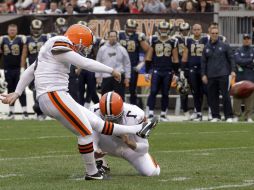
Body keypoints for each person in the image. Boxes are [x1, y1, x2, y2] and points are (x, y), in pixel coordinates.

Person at [1, 24, 158, 180]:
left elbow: (31, 70)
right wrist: (111, 70)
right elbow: (85, 63)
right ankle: (92, 173)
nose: (84, 49)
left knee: (97, 123)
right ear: (80, 41)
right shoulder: (60, 42)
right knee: (86, 133)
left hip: (56, 95)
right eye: (85, 45)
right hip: (53, 94)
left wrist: (17, 92)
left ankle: (137, 128)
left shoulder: (51, 47)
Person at [90, 91, 160, 176]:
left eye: (115, 120)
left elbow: (144, 148)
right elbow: (91, 138)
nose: (112, 123)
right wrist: (94, 150)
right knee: (86, 139)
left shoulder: (136, 115)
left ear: (122, 113)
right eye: (108, 120)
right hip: (106, 143)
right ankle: (101, 164)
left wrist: (129, 143)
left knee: (152, 172)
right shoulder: (93, 111)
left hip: (128, 148)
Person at [145, 21, 179, 121]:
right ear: (159, 30)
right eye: (162, 29)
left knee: (165, 93)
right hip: (156, 70)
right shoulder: (154, 40)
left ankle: (163, 114)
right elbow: (149, 57)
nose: (164, 31)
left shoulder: (173, 41)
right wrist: (147, 71)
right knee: (153, 91)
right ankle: (150, 112)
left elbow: (175, 59)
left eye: (165, 29)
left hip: (167, 71)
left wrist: (176, 73)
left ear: (169, 30)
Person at [201, 27, 235, 122]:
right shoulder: (206, 47)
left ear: (218, 34)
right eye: (213, 33)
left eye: (216, 33)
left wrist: (233, 70)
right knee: (212, 97)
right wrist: (203, 74)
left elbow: (231, 58)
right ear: (210, 34)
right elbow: (203, 62)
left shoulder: (225, 45)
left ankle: (229, 116)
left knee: (225, 96)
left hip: (223, 74)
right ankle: (215, 116)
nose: (215, 35)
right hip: (211, 75)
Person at [182, 24, 210, 121]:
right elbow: (185, 56)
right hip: (192, 69)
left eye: (198, 29)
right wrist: (183, 70)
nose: (197, 31)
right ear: (192, 30)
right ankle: (198, 113)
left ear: (201, 30)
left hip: (204, 69)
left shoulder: (207, 39)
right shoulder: (188, 40)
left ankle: (211, 112)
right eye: (195, 29)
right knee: (196, 92)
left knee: (207, 91)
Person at [118, 19, 150, 106]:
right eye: (129, 27)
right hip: (119, 66)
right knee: (119, 89)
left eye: (132, 28)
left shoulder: (138, 36)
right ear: (125, 27)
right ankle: (120, 107)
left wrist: (142, 62)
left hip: (132, 66)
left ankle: (133, 108)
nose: (131, 30)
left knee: (132, 90)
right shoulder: (119, 35)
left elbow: (148, 49)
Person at [0, 23, 28, 119]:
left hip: (17, 68)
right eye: (11, 30)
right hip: (7, 68)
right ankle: (11, 112)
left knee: (21, 90)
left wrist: (22, 68)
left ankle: (25, 112)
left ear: (17, 31)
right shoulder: (3, 39)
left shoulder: (21, 39)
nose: (12, 31)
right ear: (8, 30)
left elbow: (24, 54)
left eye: (14, 30)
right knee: (10, 90)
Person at [25, 19, 50, 120]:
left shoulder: (46, 38)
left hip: (44, 68)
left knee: (44, 90)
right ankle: (38, 110)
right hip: (32, 69)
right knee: (35, 89)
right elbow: (24, 54)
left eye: (38, 29)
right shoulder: (26, 39)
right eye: (34, 29)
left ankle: (43, 110)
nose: (36, 31)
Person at [96, 30, 131, 100]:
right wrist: (97, 76)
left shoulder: (122, 49)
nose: (113, 38)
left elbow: (127, 63)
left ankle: (121, 110)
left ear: (117, 37)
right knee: (104, 97)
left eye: (114, 36)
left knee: (120, 97)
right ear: (108, 37)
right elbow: (98, 63)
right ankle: (104, 110)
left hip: (119, 76)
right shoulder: (102, 49)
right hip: (106, 76)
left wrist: (127, 77)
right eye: (111, 36)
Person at [233, 34, 254, 122]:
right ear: (242, 40)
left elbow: (242, 62)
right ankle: (237, 115)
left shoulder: (253, 50)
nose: (246, 40)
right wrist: (250, 61)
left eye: (248, 39)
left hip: (250, 77)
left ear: (250, 40)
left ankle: (248, 116)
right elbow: (238, 61)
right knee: (237, 97)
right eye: (245, 39)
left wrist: (243, 63)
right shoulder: (238, 50)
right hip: (240, 77)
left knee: (250, 98)